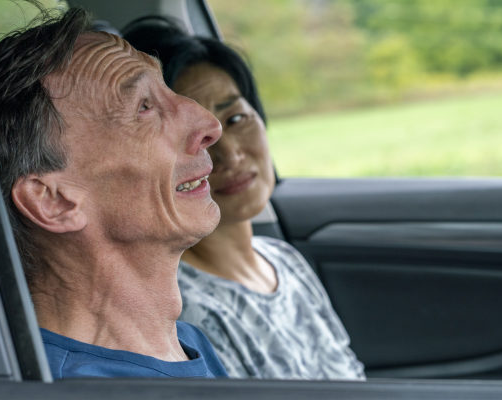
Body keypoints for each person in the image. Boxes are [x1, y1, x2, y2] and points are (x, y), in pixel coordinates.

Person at [0, 7, 228, 379]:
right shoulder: (72, 387)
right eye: (144, 107)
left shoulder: (185, 343)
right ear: (53, 200)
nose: (209, 124)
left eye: (166, 89)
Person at [123, 18, 365, 380]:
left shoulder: (283, 260)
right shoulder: (184, 311)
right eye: (193, 138)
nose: (230, 154)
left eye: (235, 118)